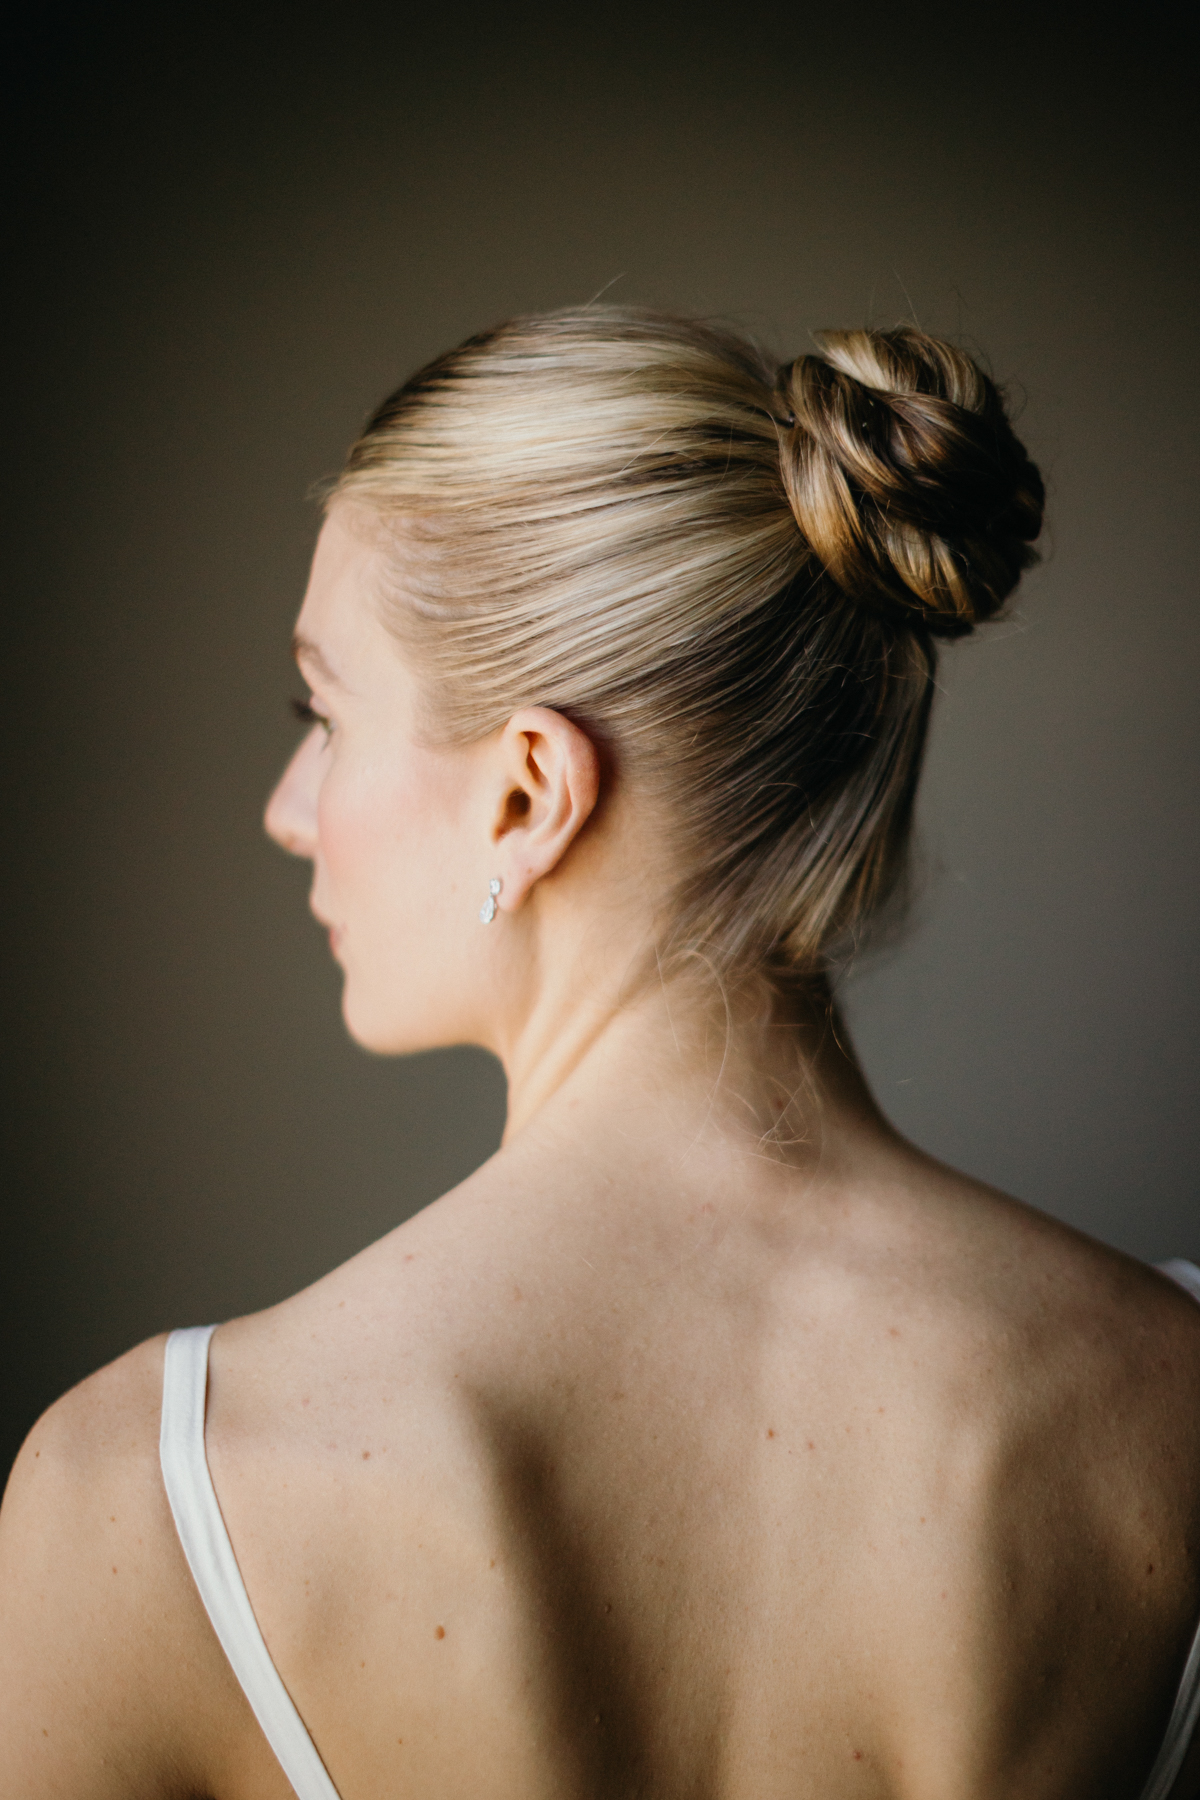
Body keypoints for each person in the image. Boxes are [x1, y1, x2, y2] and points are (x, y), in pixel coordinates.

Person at [2, 306, 1198, 1800]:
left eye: (325, 711)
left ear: (528, 796)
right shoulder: (1169, 1410)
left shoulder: (150, 1500)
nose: (288, 806)